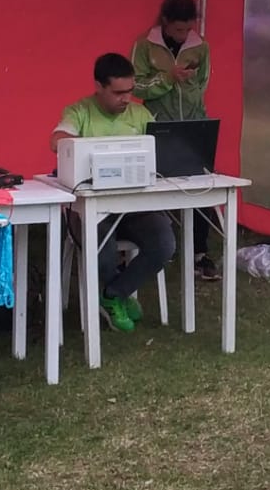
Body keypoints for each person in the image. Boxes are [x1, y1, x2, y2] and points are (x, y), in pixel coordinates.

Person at [51, 52, 176, 333]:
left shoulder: (140, 115)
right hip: (89, 209)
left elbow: (163, 149)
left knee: (164, 243)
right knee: (103, 247)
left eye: (129, 91)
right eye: (118, 93)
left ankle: (114, 293)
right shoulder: (78, 111)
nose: (126, 99)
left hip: (134, 207)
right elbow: (57, 140)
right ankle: (117, 294)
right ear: (99, 86)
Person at [131, 0, 219, 281]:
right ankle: (158, 246)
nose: (184, 35)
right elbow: (136, 86)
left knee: (202, 184)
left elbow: (203, 83)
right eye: (179, 30)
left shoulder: (200, 47)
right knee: (155, 183)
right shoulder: (145, 45)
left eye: (188, 29)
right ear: (166, 23)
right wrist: (168, 79)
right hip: (158, 123)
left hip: (193, 123)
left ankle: (199, 253)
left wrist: (189, 94)